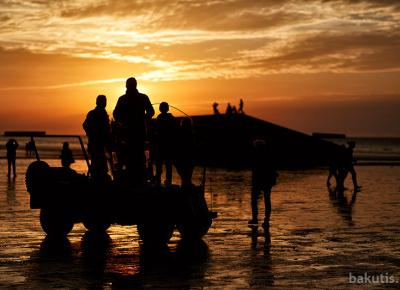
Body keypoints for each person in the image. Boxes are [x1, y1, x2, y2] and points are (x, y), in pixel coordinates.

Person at [113, 77, 154, 184]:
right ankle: (139, 179)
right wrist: (143, 118)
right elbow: (151, 111)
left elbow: (116, 114)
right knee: (139, 156)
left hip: (127, 133)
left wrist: (123, 121)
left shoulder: (122, 99)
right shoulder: (143, 97)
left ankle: (132, 179)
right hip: (138, 132)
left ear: (126, 86)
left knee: (129, 156)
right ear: (135, 85)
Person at [248, 139, 278, 228]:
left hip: (259, 181)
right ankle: (266, 220)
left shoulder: (256, 156)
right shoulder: (268, 155)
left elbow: (254, 169)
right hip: (267, 181)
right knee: (267, 200)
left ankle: (255, 218)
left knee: (254, 200)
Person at [83, 95, 112, 180]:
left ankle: (97, 179)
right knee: (98, 164)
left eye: (104, 101)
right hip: (96, 144)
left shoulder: (102, 114)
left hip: (99, 144)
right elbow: (85, 125)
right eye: (103, 101)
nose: (104, 103)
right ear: (98, 102)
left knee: (98, 164)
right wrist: (92, 134)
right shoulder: (94, 113)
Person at [154, 102, 178, 186]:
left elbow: (157, 130)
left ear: (160, 109)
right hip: (169, 145)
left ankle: (158, 180)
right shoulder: (172, 118)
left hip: (161, 145)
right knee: (168, 165)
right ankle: (168, 181)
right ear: (168, 108)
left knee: (159, 164)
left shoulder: (159, 117)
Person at [174, 117, 195, 187]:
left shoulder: (178, 133)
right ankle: (187, 186)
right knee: (187, 175)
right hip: (188, 157)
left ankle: (186, 186)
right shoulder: (191, 133)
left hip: (181, 157)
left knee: (184, 176)